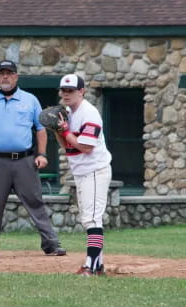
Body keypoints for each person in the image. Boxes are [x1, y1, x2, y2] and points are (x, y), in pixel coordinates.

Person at [0, 60, 66, 259]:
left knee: (36, 202)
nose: (5, 77)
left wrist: (42, 154)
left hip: (25, 161)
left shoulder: (30, 100)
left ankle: (51, 245)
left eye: (9, 73)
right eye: (2, 73)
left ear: (16, 76)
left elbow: (40, 129)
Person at [54, 74, 112, 276]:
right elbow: (66, 145)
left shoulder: (90, 113)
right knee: (89, 218)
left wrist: (65, 130)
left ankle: (90, 265)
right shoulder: (67, 113)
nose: (66, 94)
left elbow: (86, 147)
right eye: (63, 90)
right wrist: (57, 131)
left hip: (95, 170)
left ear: (81, 91)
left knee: (92, 219)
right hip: (82, 172)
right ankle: (99, 265)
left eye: (70, 90)